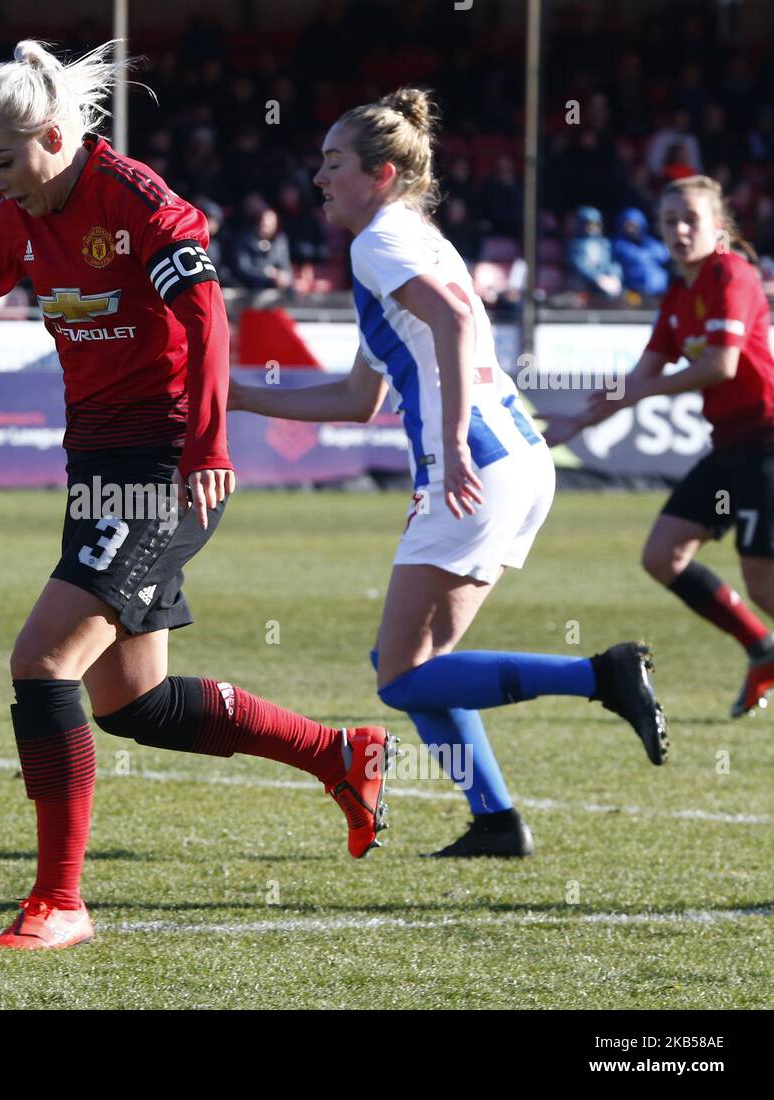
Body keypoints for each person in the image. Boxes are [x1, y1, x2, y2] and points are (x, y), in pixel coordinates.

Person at [0, 40, 395, 950]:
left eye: (4, 163)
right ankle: (338, 753)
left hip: (162, 466)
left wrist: (208, 442)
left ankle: (60, 902)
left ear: (53, 134)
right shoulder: (18, 218)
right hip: (97, 468)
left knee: (41, 661)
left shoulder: (137, 202)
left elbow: (207, 318)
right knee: (135, 704)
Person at [230, 87, 668, 858]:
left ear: (384, 173)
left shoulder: (378, 244)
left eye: (334, 163)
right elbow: (357, 398)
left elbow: (460, 323)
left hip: (476, 464)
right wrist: (232, 393)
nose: (318, 178)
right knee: (413, 667)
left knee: (401, 678)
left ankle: (601, 675)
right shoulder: (409, 242)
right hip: (517, 459)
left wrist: (456, 442)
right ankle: (497, 821)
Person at [545, 176, 774, 718]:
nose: (679, 230)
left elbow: (721, 363)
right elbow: (639, 376)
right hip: (731, 445)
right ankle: (762, 649)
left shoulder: (730, 274)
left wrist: (641, 390)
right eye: (669, 220)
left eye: (691, 218)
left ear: (718, 226)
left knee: (762, 579)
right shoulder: (678, 293)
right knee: (662, 556)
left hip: (767, 439)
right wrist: (571, 426)